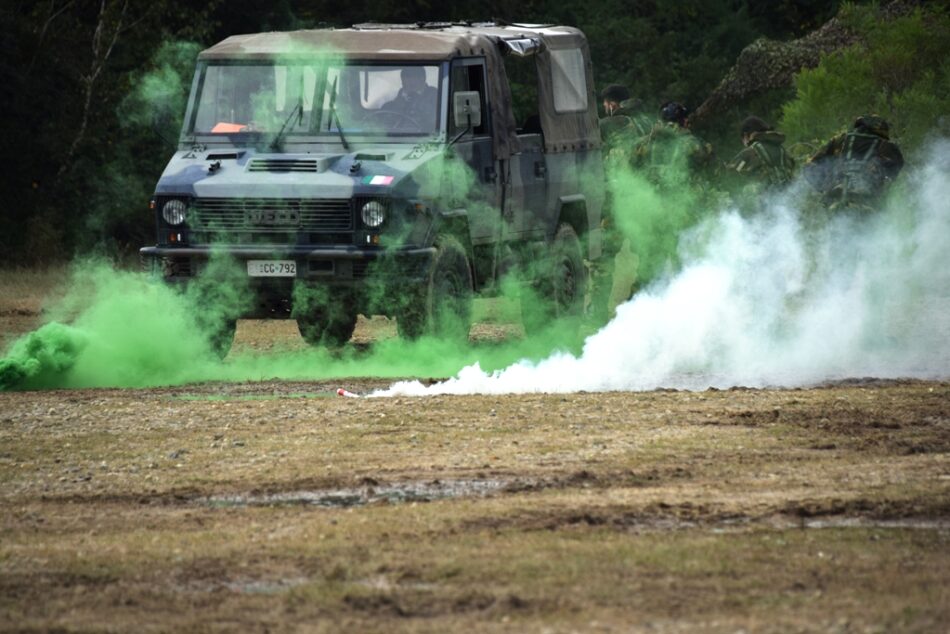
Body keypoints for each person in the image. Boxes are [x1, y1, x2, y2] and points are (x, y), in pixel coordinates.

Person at [804, 114, 904, 211]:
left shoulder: (840, 140)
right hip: (867, 200)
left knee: (830, 225)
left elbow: (810, 166)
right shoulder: (886, 145)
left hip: (835, 198)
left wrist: (824, 186)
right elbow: (896, 168)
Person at [726, 116, 796, 201]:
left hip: (768, 203)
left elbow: (730, 175)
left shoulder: (750, 151)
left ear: (745, 135)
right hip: (792, 197)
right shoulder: (781, 148)